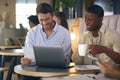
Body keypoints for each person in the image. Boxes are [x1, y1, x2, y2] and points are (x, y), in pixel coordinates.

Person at [20, 3, 71, 80]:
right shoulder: (32, 33)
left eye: (47, 19)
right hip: (35, 70)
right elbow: (29, 55)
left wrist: (62, 59)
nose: (44, 23)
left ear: (52, 15)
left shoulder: (64, 33)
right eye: (41, 20)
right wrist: (27, 60)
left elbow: (66, 58)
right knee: (25, 76)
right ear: (38, 17)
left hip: (56, 72)